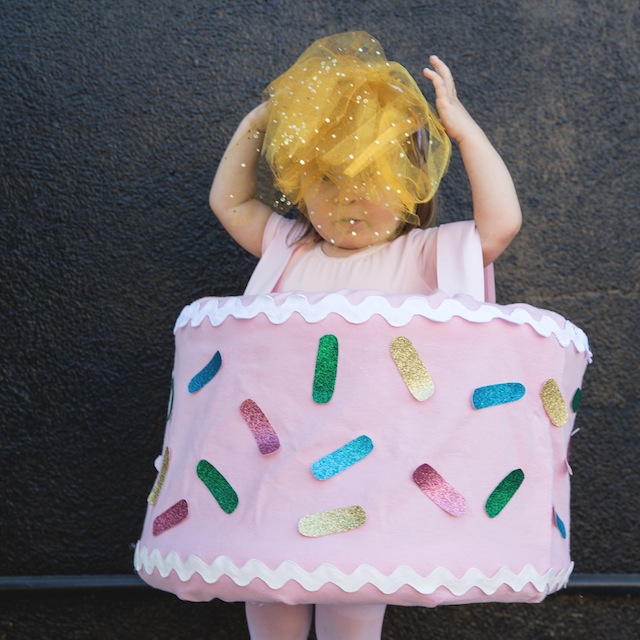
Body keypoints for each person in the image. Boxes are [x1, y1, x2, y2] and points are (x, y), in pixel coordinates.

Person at [208, 31, 522, 640]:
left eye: (371, 178)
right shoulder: (288, 248)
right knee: (268, 590)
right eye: (325, 179)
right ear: (299, 187)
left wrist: (463, 130)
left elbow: (502, 223)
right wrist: (261, 123)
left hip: (367, 473)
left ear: (412, 188)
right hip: (275, 463)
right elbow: (230, 201)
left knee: (353, 595)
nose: (349, 196)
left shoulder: (423, 254)